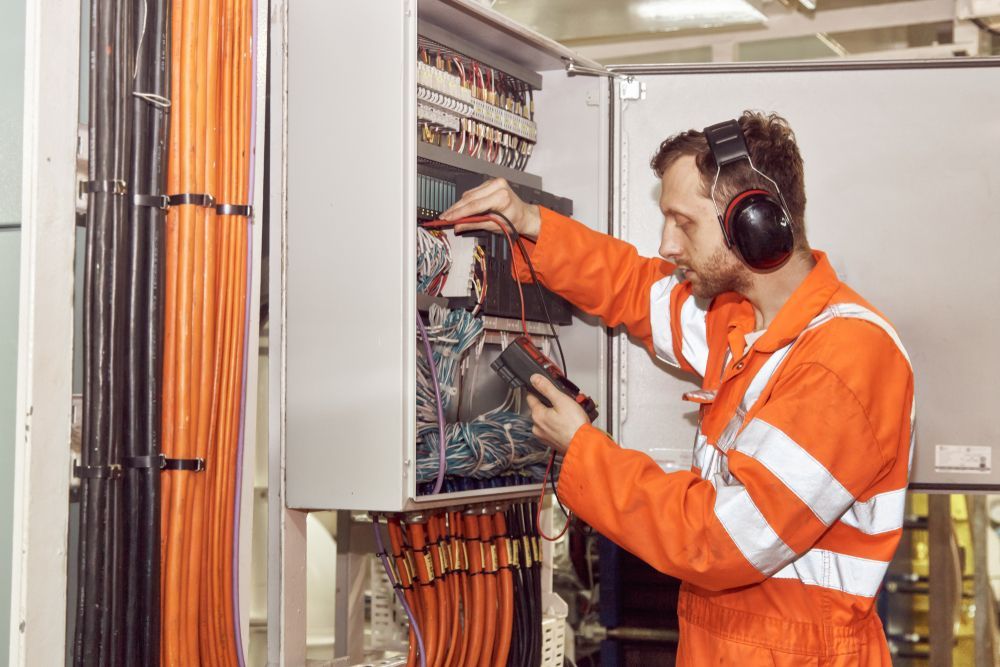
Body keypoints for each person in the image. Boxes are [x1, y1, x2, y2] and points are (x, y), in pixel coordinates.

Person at [441, 110, 914, 666]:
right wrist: (531, 225)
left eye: (683, 222)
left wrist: (583, 449)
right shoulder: (743, 324)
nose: (667, 243)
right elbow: (633, 288)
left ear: (754, 222)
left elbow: (718, 541)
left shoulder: (847, 360)